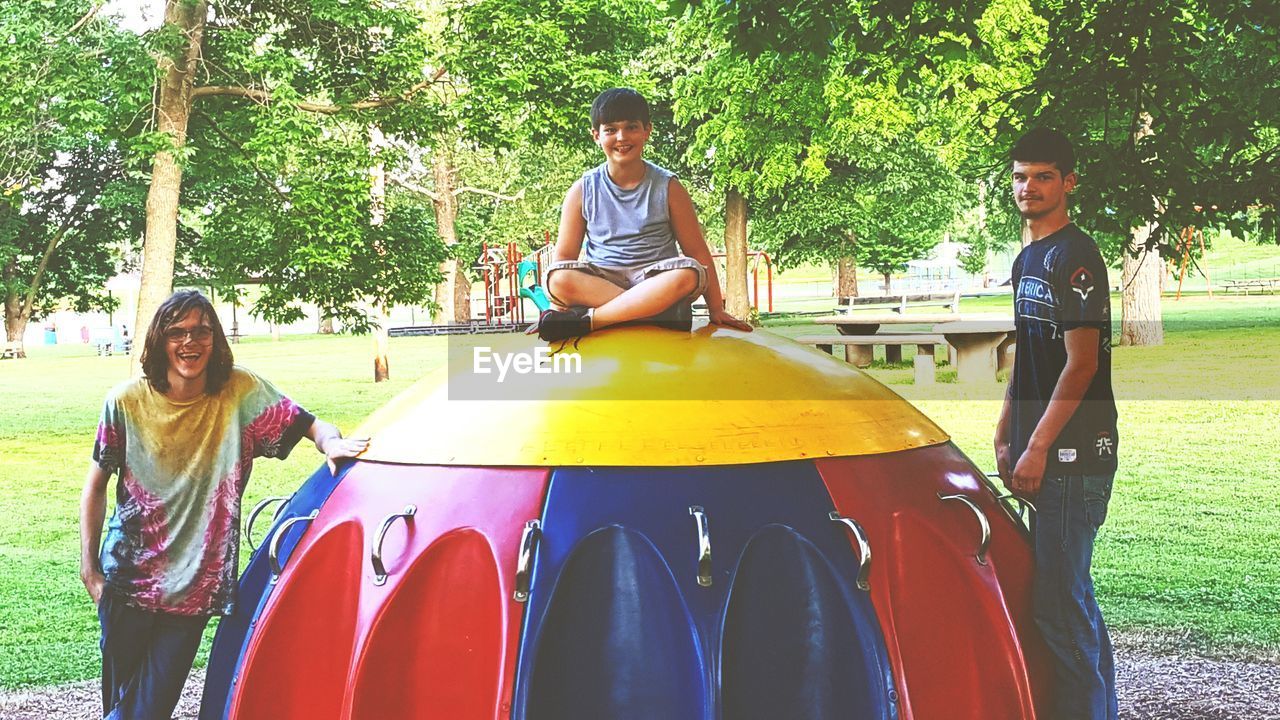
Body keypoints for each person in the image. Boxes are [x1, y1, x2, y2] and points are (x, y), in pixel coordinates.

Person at [79, 289, 368, 720]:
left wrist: (332, 442)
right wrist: (90, 569)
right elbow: (96, 486)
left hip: (195, 588)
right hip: (127, 583)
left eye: (201, 331)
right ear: (159, 339)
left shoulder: (239, 391)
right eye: (177, 332)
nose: (190, 343)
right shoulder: (125, 402)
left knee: (148, 708)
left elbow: (309, 424)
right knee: (123, 699)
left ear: (215, 339)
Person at [994, 128, 1119, 720]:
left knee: (1060, 610)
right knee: (1074, 601)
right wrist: (1005, 428)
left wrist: (1039, 446)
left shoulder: (1076, 256)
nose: (1029, 187)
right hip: (1039, 448)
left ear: (1068, 183)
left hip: (1075, 455)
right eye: (1020, 176)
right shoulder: (1027, 259)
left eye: (1044, 176)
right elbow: (1030, 353)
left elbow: (1082, 363)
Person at [534, 87, 752, 341]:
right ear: (596, 136)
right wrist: (556, 311)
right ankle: (656, 313)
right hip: (603, 279)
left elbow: (697, 250)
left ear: (647, 131)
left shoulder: (668, 187)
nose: (621, 137)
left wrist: (716, 309)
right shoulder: (583, 189)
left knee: (690, 273)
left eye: (631, 127)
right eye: (611, 130)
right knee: (557, 278)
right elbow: (564, 257)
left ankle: (589, 321)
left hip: (656, 279)